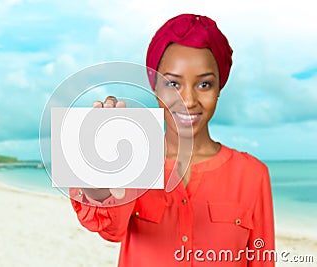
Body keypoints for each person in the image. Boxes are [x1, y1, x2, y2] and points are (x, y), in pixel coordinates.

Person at [69, 14, 275, 266]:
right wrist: (97, 183)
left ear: (220, 88)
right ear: (154, 88)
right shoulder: (132, 161)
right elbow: (108, 227)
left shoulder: (253, 175)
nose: (188, 101)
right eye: (173, 84)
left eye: (204, 84)